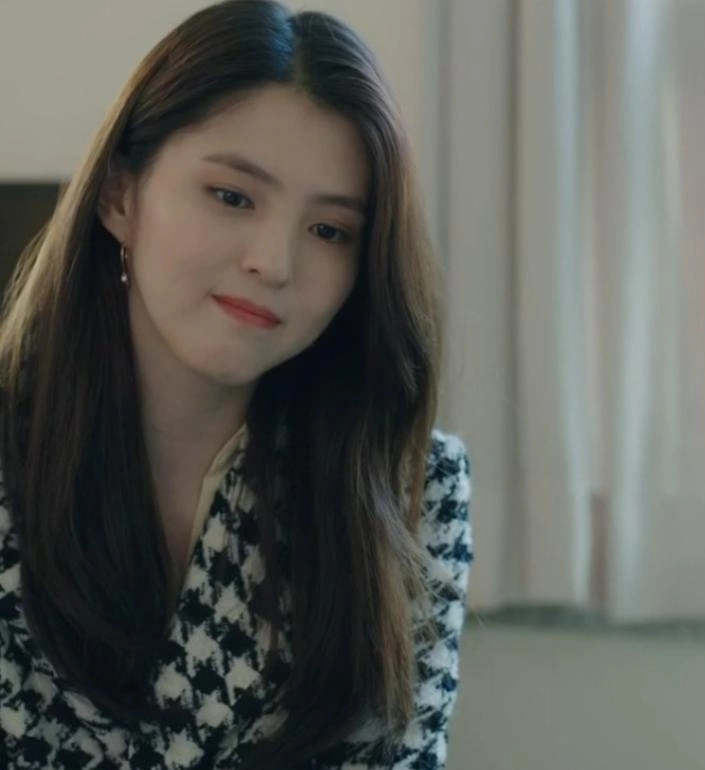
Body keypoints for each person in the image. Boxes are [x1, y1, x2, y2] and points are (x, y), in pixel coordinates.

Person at [0, 1, 474, 768]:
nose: (274, 262)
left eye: (329, 231)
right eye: (231, 196)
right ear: (120, 196)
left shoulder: (411, 487)